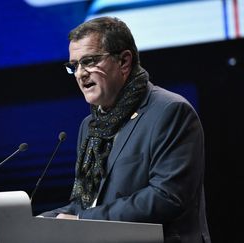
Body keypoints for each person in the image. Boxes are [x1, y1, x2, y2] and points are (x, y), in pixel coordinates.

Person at [39, 16, 211, 243]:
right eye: (74, 65)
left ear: (124, 62)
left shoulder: (170, 111)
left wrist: (82, 219)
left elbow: (167, 197)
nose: (80, 73)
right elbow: (86, 203)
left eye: (89, 61)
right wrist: (40, 221)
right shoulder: (90, 126)